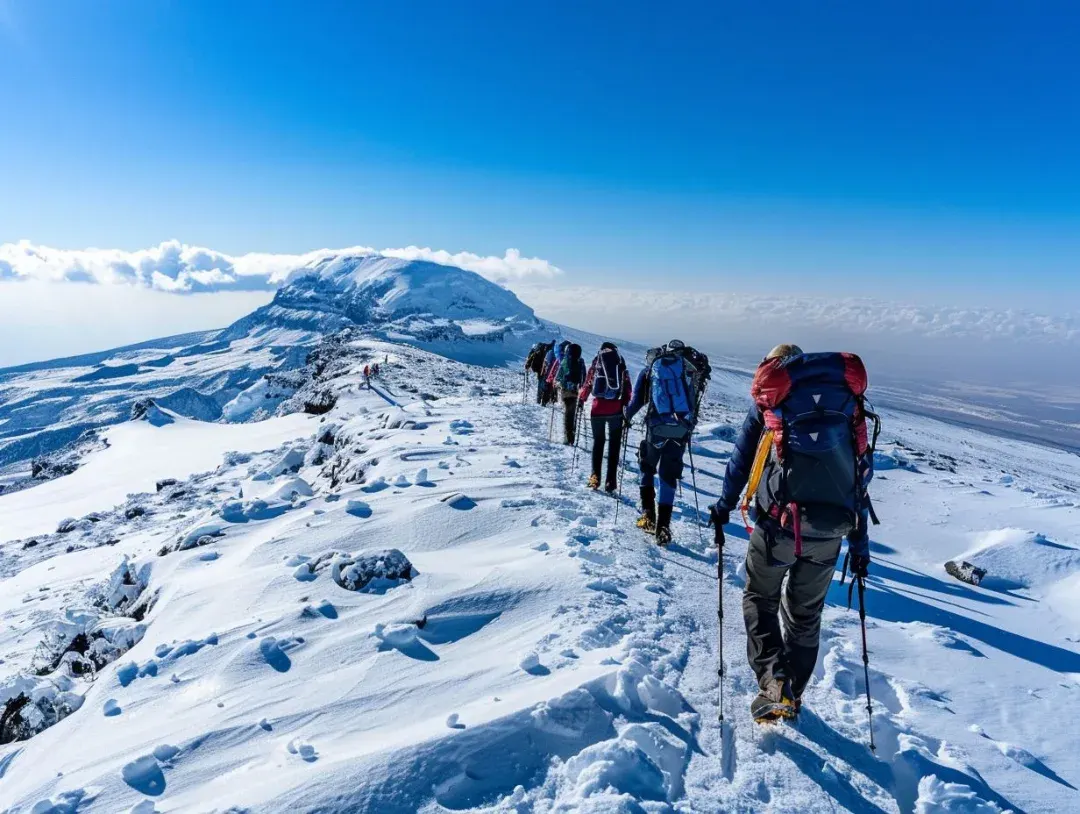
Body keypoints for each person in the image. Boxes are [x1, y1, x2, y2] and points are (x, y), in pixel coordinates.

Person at [708, 344, 877, 723]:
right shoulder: (849, 407)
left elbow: (740, 460)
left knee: (759, 597)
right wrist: (859, 543)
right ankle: (792, 695)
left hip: (777, 526)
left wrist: (723, 507)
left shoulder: (771, 404)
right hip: (830, 531)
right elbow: (860, 480)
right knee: (805, 617)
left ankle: (774, 683)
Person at [625, 339, 708, 546]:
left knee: (647, 466)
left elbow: (637, 401)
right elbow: (693, 403)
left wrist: (626, 417)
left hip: (656, 429)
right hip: (680, 430)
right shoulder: (688, 372)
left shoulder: (651, 370)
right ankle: (663, 527)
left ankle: (648, 517)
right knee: (668, 475)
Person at [578, 342, 632, 491]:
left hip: (597, 410)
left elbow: (588, 383)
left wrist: (582, 399)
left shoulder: (597, 362)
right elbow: (627, 387)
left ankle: (595, 479)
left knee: (598, 443)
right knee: (614, 446)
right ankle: (611, 482)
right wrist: (626, 406)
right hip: (616, 411)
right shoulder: (620, 362)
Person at [553, 343, 586, 445]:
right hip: (576, 391)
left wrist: (558, 384)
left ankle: (568, 437)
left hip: (565, 391)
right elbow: (584, 378)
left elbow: (558, 376)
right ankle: (572, 436)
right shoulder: (581, 362)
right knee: (572, 414)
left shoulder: (565, 361)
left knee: (568, 414)